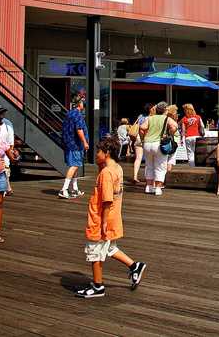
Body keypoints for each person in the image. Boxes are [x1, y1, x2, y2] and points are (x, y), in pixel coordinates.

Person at [75, 135, 146, 298]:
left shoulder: (106, 173)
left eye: (98, 152)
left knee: (95, 251)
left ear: (106, 152)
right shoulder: (117, 168)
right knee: (109, 248)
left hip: (101, 218)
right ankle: (135, 266)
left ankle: (98, 286)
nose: (95, 155)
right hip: (114, 216)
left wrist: (103, 223)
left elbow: (106, 200)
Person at [140, 103, 177, 196]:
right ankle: (158, 188)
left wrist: (143, 138)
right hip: (158, 144)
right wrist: (169, 133)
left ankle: (148, 187)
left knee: (149, 165)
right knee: (160, 166)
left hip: (147, 144)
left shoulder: (150, 118)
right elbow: (174, 126)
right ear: (165, 110)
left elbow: (142, 127)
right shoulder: (167, 118)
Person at [60, 100, 89, 199]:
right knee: (75, 165)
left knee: (75, 166)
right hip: (75, 144)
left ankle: (74, 189)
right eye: (83, 103)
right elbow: (79, 129)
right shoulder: (78, 115)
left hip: (68, 143)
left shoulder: (69, 113)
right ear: (79, 104)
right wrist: (85, 142)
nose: (84, 105)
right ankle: (64, 189)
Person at [131, 104, 153, 185]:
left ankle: (135, 176)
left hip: (138, 138)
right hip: (146, 139)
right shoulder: (150, 118)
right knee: (148, 159)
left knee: (138, 158)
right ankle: (148, 178)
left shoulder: (140, 116)